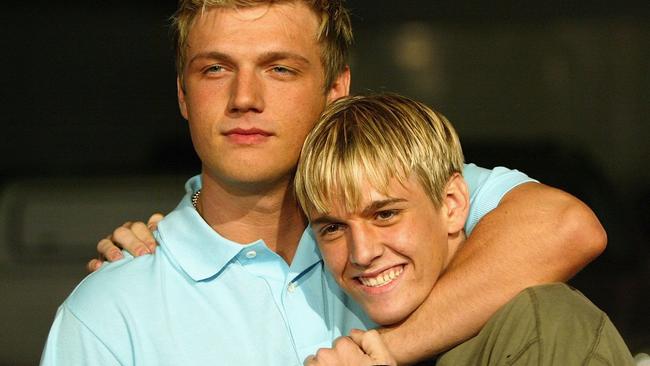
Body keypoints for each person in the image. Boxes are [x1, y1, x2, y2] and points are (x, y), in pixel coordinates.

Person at [42, 1, 606, 364]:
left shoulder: (406, 202)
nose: (245, 98)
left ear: (336, 90)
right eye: (215, 68)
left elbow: (566, 227)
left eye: (280, 68)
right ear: (183, 96)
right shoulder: (110, 311)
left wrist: (382, 351)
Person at [293, 93, 634, 365]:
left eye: (386, 215)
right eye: (334, 228)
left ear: (453, 205)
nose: (362, 253)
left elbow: (571, 226)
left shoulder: (537, 324)